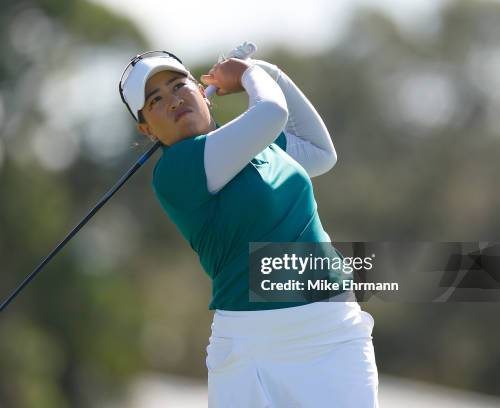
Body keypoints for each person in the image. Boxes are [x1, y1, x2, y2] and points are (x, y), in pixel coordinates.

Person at [118, 49, 379, 407]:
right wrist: (245, 76)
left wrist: (264, 69)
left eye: (179, 85)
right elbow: (272, 112)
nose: (174, 99)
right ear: (146, 128)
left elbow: (321, 152)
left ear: (201, 89)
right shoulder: (176, 170)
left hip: (333, 332)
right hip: (252, 346)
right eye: (155, 100)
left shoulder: (259, 144)